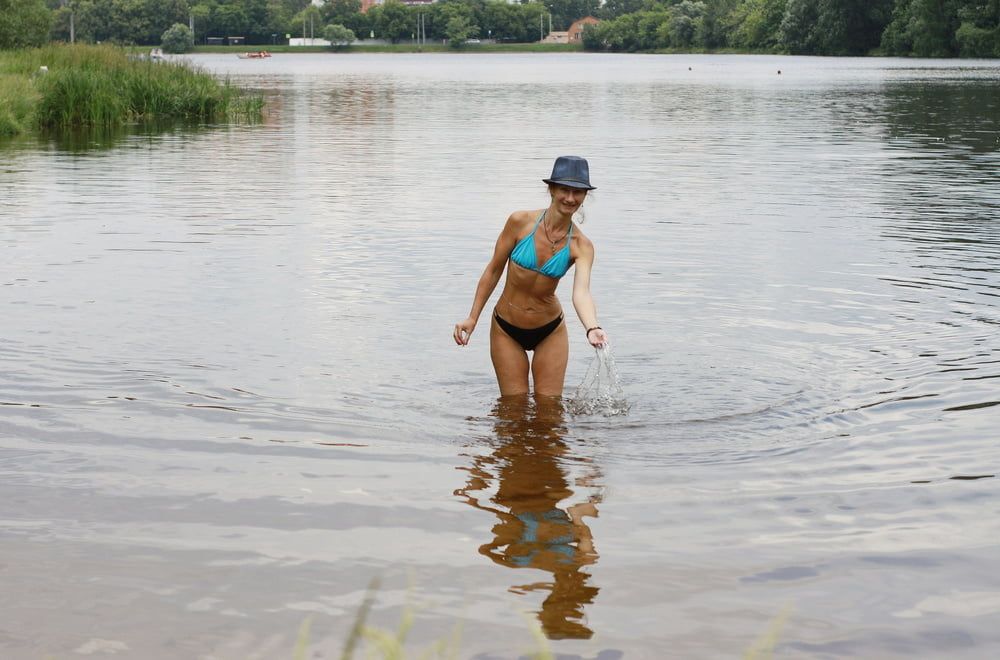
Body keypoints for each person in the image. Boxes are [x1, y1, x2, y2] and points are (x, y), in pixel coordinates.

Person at [453, 156, 608, 397]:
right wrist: (472, 317)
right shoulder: (519, 222)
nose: (570, 198)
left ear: (585, 196)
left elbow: (581, 292)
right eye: (564, 190)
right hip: (506, 328)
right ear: (552, 189)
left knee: (550, 410)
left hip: (550, 330)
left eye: (577, 192)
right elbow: (494, 270)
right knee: (513, 407)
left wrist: (592, 327)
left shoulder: (582, 245)